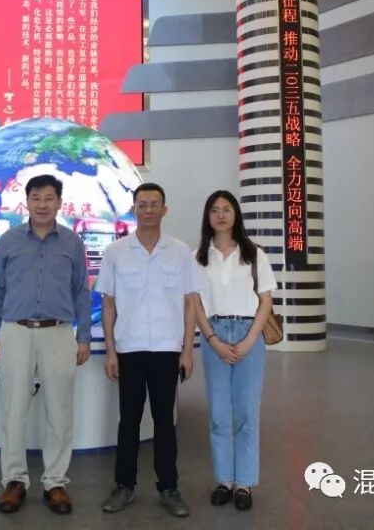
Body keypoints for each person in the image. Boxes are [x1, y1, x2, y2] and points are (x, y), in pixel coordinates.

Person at [0, 174, 91, 515]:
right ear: (26, 201)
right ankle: (14, 481)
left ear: (59, 202)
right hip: (15, 331)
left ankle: (55, 482)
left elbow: (81, 292)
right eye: (36, 198)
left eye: (49, 198)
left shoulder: (72, 242)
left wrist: (84, 336)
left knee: (60, 410)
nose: (42, 204)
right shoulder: (9, 240)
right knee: (13, 409)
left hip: (58, 332)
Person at [97, 183, 203, 517]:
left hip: (167, 351)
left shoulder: (180, 252)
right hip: (129, 349)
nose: (148, 210)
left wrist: (187, 351)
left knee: (164, 423)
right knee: (128, 421)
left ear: (164, 209)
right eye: (142, 204)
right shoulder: (116, 252)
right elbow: (109, 305)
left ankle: (168, 487)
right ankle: (124, 486)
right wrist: (111, 351)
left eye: (154, 204)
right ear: (134, 209)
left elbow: (190, 303)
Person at [191, 190, 277, 511]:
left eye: (227, 209)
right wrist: (212, 339)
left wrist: (250, 340)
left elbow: (265, 300)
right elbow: (195, 303)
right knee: (218, 414)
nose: (221, 215)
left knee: (247, 412)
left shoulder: (254, 254)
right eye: (215, 210)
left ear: (236, 214)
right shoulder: (198, 256)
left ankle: (244, 483)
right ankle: (224, 480)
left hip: (247, 333)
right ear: (208, 216)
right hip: (214, 334)